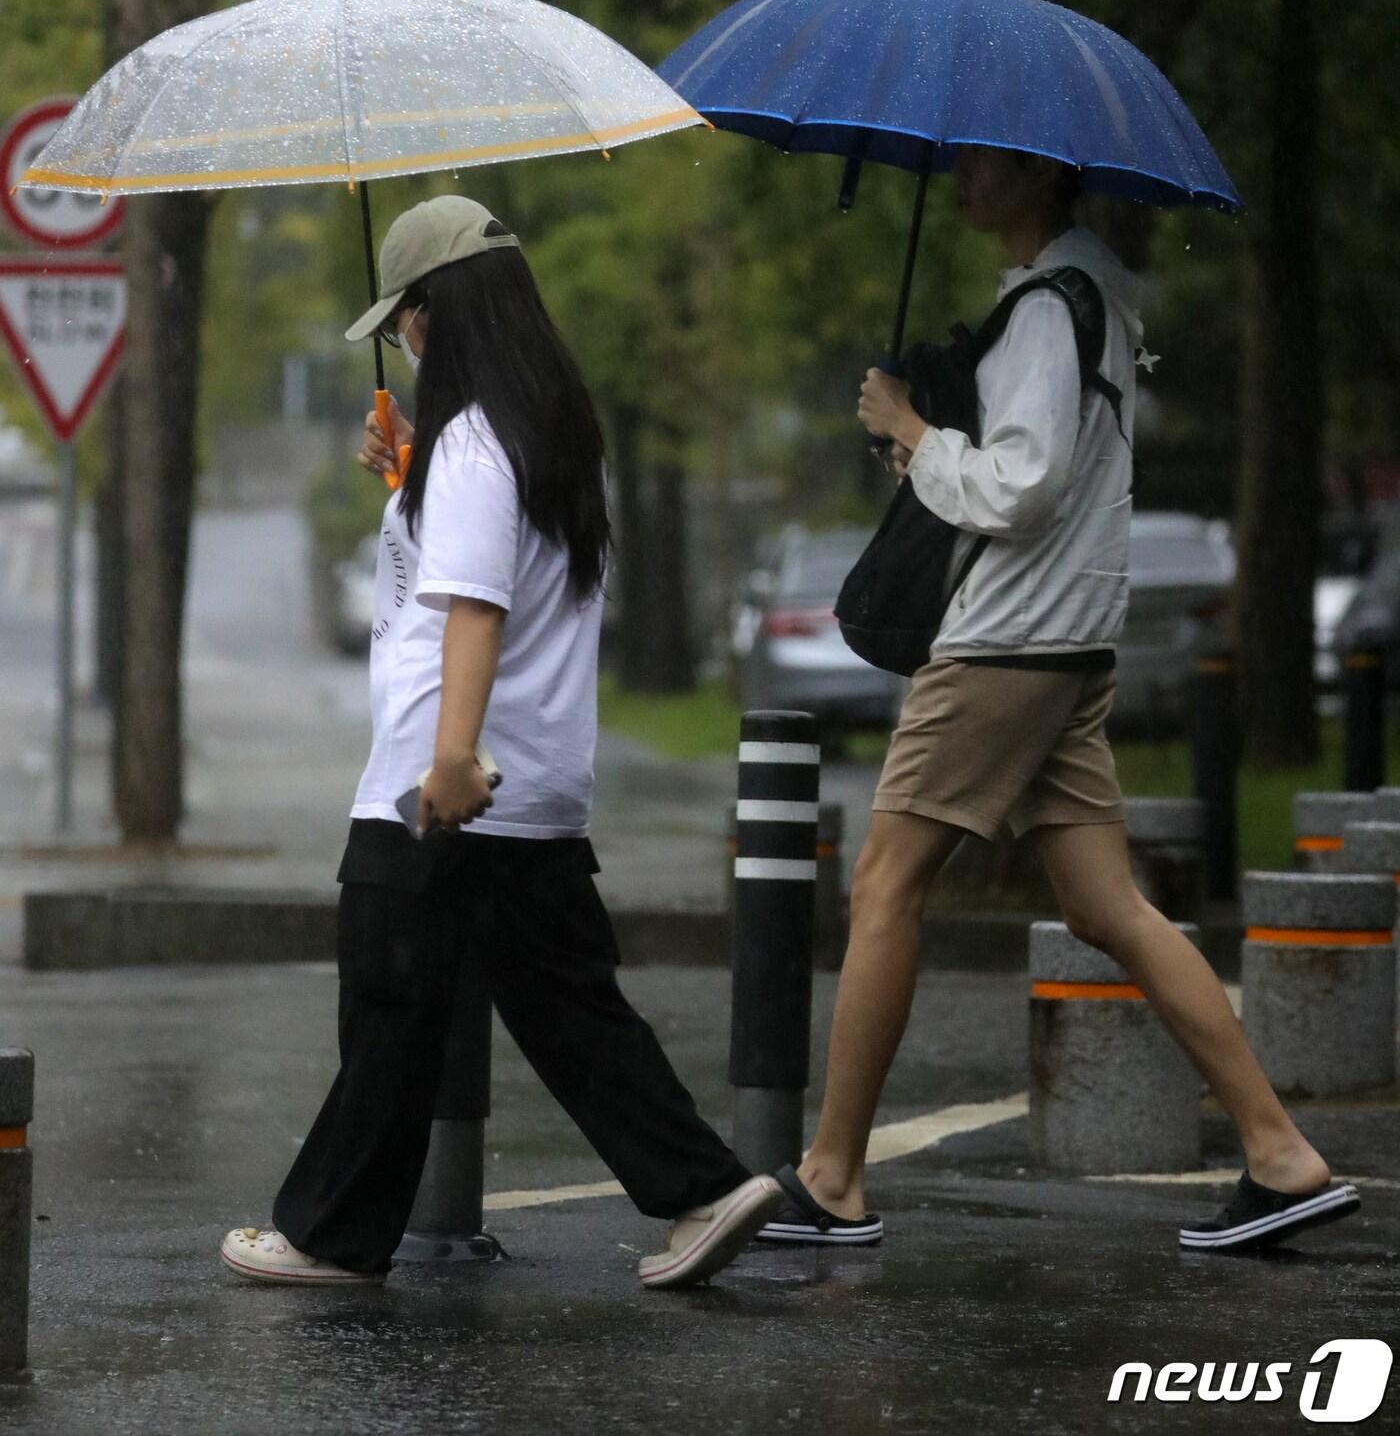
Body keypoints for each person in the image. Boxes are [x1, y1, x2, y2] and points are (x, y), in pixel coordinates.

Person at [755, 146, 1359, 1255]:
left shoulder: (1047, 309)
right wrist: (933, 458)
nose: (959, 181)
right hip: (1065, 642)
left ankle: (831, 1175)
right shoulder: (1089, 301)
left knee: (883, 885)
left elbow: (1020, 489)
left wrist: (911, 431)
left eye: (981, 166)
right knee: (1105, 907)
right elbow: (1040, 477)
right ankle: (1280, 1156)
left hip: (1004, 646)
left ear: (1038, 174)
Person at [220, 195, 779, 1287]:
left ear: (442, 311)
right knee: (571, 1014)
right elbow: (483, 572)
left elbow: (473, 609)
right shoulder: (544, 433)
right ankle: (708, 1191)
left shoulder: (475, 446)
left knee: (388, 1008)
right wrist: (406, 482)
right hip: (535, 785)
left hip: (442, 786)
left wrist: (447, 761)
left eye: (406, 320)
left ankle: (332, 1237)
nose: (405, 341)